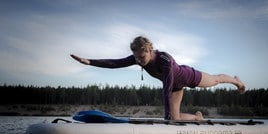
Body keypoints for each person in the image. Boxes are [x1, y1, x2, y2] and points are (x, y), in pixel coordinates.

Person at [70, 36, 245, 120]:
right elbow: (115, 63)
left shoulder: (164, 60)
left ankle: (237, 81)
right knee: (174, 119)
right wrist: (89, 61)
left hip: (188, 76)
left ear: (149, 51)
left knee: (215, 80)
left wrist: (166, 116)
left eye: (141, 58)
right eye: (136, 58)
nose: (138, 61)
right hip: (176, 88)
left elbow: (166, 88)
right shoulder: (137, 57)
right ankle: (197, 118)